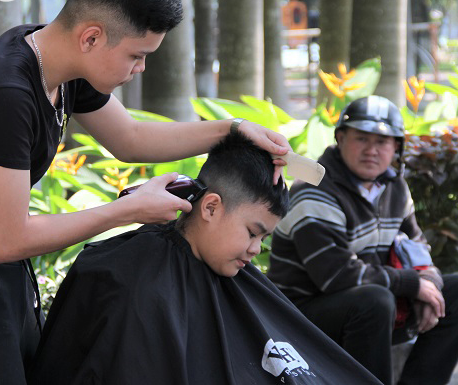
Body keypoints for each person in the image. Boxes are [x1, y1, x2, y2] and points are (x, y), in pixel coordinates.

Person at [0, 0, 292, 383]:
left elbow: (130, 139)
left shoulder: (62, 66)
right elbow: (8, 239)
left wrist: (232, 129)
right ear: (91, 38)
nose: (140, 69)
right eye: (136, 56)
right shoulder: (5, 96)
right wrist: (129, 209)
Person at [27, 132, 381, 384]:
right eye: (252, 232)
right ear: (211, 207)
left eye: (263, 238)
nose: (256, 249)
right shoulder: (132, 283)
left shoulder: (225, 272)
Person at [267, 96, 458, 385]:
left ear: (396, 147)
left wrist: (429, 285)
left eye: (382, 142)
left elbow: (417, 248)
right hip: (303, 317)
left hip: (369, 302)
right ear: (340, 139)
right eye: (361, 139)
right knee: (374, 301)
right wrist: (412, 284)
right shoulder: (315, 191)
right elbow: (337, 277)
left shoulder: (394, 187)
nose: (372, 150)